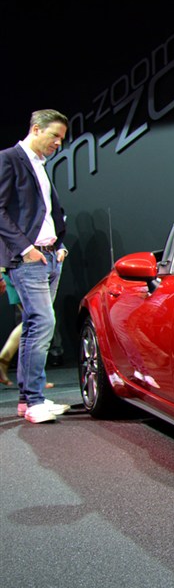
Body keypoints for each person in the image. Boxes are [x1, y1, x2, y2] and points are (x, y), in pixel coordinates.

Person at [0, 109, 71, 423]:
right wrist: (26, 249)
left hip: (50, 256)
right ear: (36, 129)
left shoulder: (40, 165)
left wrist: (60, 244)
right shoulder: (8, 159)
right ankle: (34, 401)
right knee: (42, 324)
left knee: (34, 327)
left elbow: (50, 212)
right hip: (28, 259)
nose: (58, 143)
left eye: (61, 139)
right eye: (55, 136)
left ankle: (28, 399)